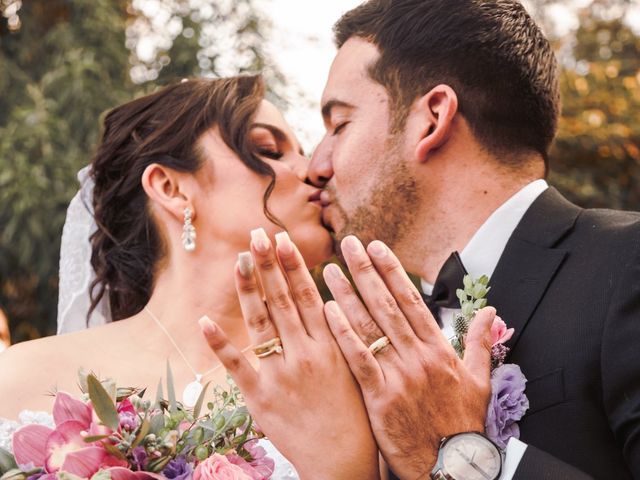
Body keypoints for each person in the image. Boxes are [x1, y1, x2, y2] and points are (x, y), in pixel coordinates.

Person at [201, 1, 640, 479]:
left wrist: (465, 458)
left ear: (430, 119)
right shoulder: (378, 348)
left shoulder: (628, 265)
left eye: (339, 125)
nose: (314, 167)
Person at [0, 75, 380, 479]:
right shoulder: (21, 377)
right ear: (170, 187)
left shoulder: (362, 372)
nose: (313, 170)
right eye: (268, 149)